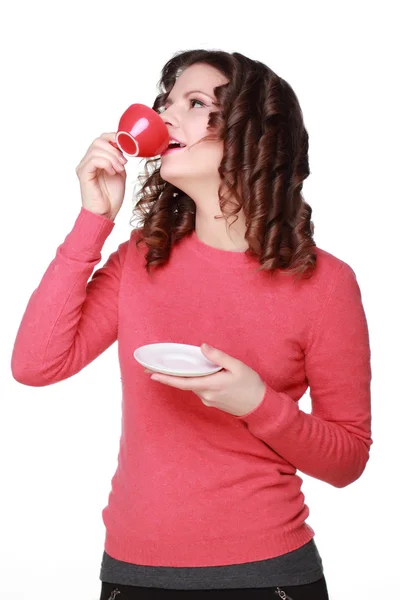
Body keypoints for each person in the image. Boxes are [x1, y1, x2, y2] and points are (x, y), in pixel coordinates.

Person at [11, 49, 372, 600]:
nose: (162, 117)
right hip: (132, 574)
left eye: (195, 102)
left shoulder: (326, 284)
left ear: (255, 135)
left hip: (267, 576)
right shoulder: (141, 257)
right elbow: (36, 366)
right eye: (166, 101)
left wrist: (257, 402)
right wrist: (94, 220)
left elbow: (347, 460)